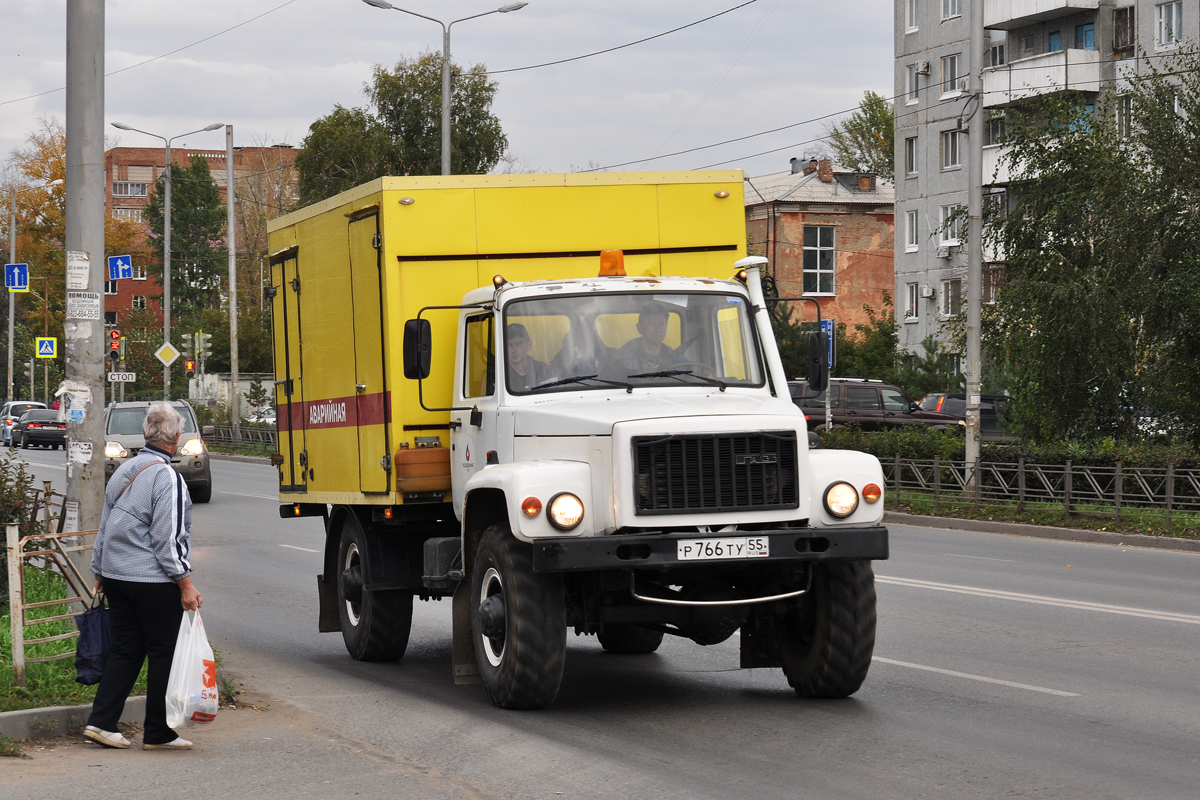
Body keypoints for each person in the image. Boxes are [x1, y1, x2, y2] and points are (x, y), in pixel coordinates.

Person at [84, 402, 201, 751]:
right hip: (151, 581)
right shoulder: (168, 477)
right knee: (163, 651)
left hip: (116, 575)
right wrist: (185, 583)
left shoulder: (125, 469)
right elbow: (167, 539)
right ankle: (158, 732)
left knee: (126, 649)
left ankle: (102, 723)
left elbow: (105, 523)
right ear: (177, 437)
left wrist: (99, 569)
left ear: (146, 434)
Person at [613, 303, 677, 373]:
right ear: (639, 328)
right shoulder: (622, 358)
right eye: (651, 323)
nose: (657, 329)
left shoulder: (677, 359)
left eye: (661, 323)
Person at [506, 323, 553, 391]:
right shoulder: (498, 377)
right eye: (509, 345)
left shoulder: (545, 370)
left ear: (529, 345)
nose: (514, 350)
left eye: (518, 344)